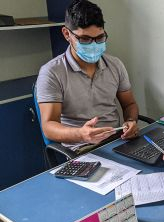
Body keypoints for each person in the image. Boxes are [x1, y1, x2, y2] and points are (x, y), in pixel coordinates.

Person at [36, 0, 139, 154]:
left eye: (99, 38)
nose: (94, 45)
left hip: (118, 141)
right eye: (85, 39)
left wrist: (131, 121)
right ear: (67, 34)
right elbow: (49, 127)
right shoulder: (52, 72)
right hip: (81, 149)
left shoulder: (115, 65)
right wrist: (82, 135)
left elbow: (129, 104)